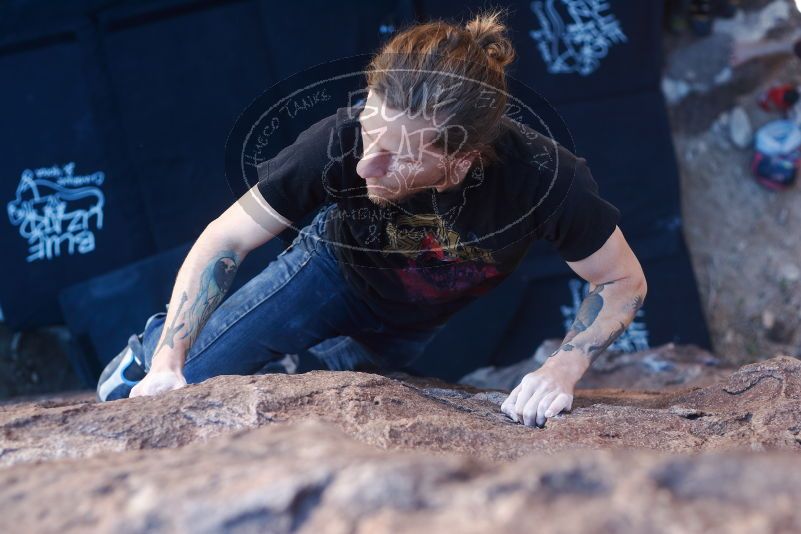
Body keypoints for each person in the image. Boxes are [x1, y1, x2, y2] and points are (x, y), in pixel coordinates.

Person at [97, 11, 647, 429]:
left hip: (411, 323)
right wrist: (170, 358)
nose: (366, 165)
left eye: (399, 156)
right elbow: (228, 236)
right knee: (184, 388)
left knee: (299, 409)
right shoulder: (337, 142)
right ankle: (151, 344)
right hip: (327, 274)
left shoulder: (545, 177)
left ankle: (280, 363)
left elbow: (622, 279)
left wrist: (563, 367)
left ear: (460, 160)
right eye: (368, 132)